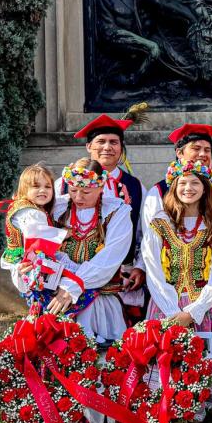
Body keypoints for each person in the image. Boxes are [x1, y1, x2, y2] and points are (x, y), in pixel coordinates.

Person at [140, 159, 212, 423]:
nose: (188, 188)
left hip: (205, 310)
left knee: (198, 378)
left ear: (205, 189)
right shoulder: (159, 224)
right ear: (173, 188)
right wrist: (173, 313)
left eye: (195, 183)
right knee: (170, 378)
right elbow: (153, 270)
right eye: (182, 183)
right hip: (165, 309)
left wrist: (193, 311)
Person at [46, 158, 135, 423]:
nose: (79, 195)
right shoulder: (56, 209)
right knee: (63, 373)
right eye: (73, 188)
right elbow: (41, 250)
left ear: (100, 185)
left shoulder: (117, 212)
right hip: (60, 305)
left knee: (96, 371)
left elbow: (109, 259)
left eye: (86, 188)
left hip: (100, 302)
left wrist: (73, 285)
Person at [57, 115, 147, 316]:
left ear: (121, 148)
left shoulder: (135, 186)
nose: (107, 147)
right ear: (89, 146)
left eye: (114, 142)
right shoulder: (63, 184)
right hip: (68, 275)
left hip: (121, 277)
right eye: (101, 141)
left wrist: (140, 267)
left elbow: (144, 233)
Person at [140, 123, 212, 235]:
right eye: (196, 148)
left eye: (207, 150)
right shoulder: (159, 192)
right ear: (179, 153)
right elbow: (150, 235)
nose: (203, 154)